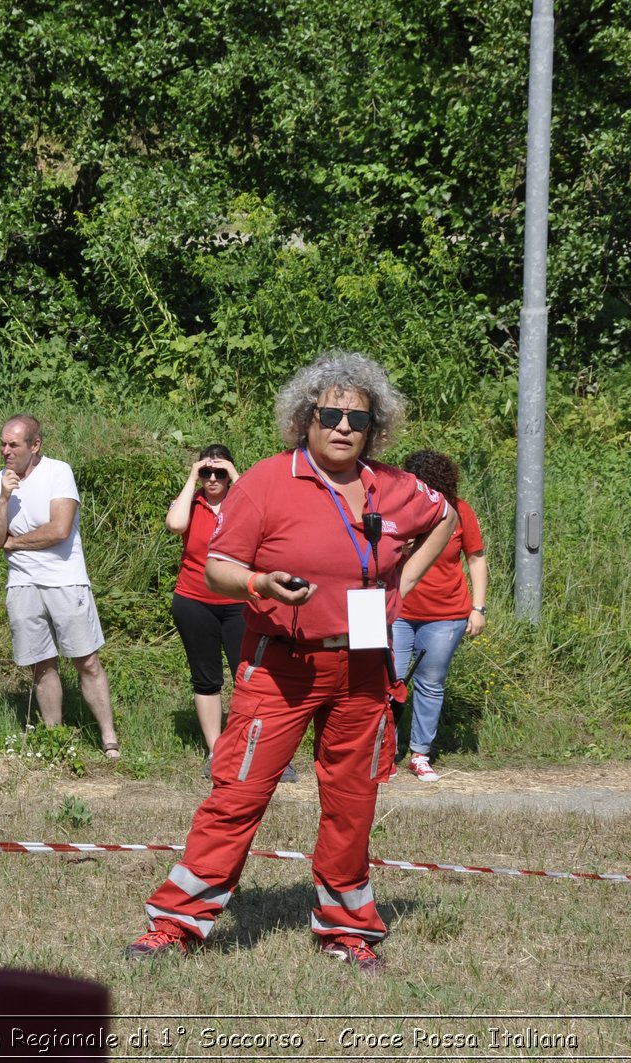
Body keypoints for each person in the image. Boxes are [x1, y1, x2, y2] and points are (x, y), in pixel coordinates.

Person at [127, 352, 457, 971]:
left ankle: (346, 929)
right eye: (328, 414)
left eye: (356, 418)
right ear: (304, 419)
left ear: (374, 428)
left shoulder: (394, 485)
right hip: (280, 669)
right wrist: (261, 584)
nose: (342, 427)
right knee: (238, 795)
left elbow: (445, 515)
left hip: (362, 671)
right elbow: (218, 568)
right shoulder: (265, 482)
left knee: (352, 803)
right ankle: (176, 924)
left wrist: (401, 585)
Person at [0, 414, 120, 757]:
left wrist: (14, 543)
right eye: (3, 444)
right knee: (41, 664)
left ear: (35, 445)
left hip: (65, 581)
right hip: (22, 585)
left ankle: (109, 738)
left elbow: (59, 529)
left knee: (86, 660)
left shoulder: (58, 472)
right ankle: (54, 739)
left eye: (14, 444)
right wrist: (2, 499)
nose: (6, 451)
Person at [166, 444, 301, 783]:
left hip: (240, 602)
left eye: (220, 473)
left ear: (229, 475)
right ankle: (217, 752)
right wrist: (191, 478)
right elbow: (175, 524)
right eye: (207, 473)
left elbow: (267, 523)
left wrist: (237, 477)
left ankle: (267, 753)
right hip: (194, 602)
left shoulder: (242, 503)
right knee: (206, 677)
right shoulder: (192, 504)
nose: (213, 479)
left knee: (253, 676)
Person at [390, 449, 487, 782]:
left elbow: (475, 558)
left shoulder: (459, 512)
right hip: (398, 611)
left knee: (430, 684)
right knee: (391, 679)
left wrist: (479, 608)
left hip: (447, 615)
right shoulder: (397, 511)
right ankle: (385, 751)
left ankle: (420, 754)